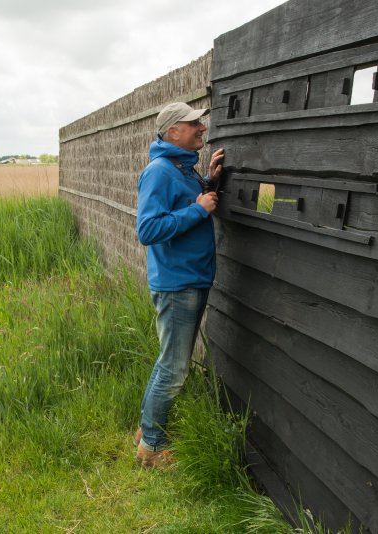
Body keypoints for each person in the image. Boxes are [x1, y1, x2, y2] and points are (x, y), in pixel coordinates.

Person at [134, 101, 225, 468]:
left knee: (169, 362)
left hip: (190, 277)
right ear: (173, 132)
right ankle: (152, 450)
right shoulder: (159, 172)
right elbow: (148, 229)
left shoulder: (181, 168)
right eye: (193, 124)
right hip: (178, 283)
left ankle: (146, 429)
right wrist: (198, 208)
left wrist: (211, 182)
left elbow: (192, 202)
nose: (202, 128)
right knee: (174, 368)